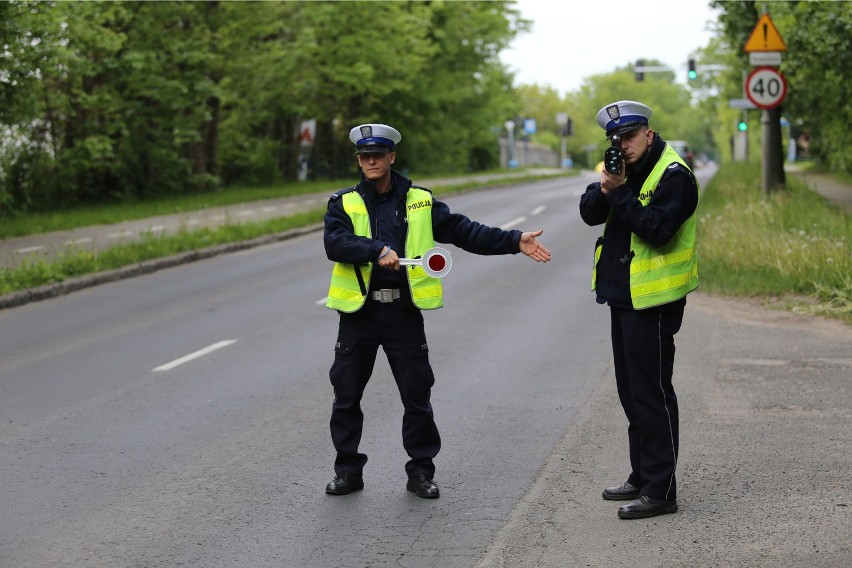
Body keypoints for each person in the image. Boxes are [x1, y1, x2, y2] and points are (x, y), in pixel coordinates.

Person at [323, 123, 551, 499]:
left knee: (417, 397)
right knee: (346, 396)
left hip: (403, 313)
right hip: (359, 314)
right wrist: (376, 250)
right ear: (359, 161)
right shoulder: (343, 202)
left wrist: (514, 240)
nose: (372, 160)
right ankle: (348, 471)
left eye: (378, 154)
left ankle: (421, 473)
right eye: (365, 156)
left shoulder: (420, 201)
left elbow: (463, 231)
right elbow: (336, 242)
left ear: (392, 157)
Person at [579, 101, 700, 519]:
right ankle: (642, 474)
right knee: (632, 394)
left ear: (648, 134)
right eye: (616, 140)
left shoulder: (674, 175)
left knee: (653, 395)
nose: (623, 146)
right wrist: (607, 185)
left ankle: (662, 490)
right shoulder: (622, 170)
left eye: (629, 137)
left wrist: (621, 193)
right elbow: (588, 214)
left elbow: (659, 232)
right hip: (624, 296)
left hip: (656, 302)